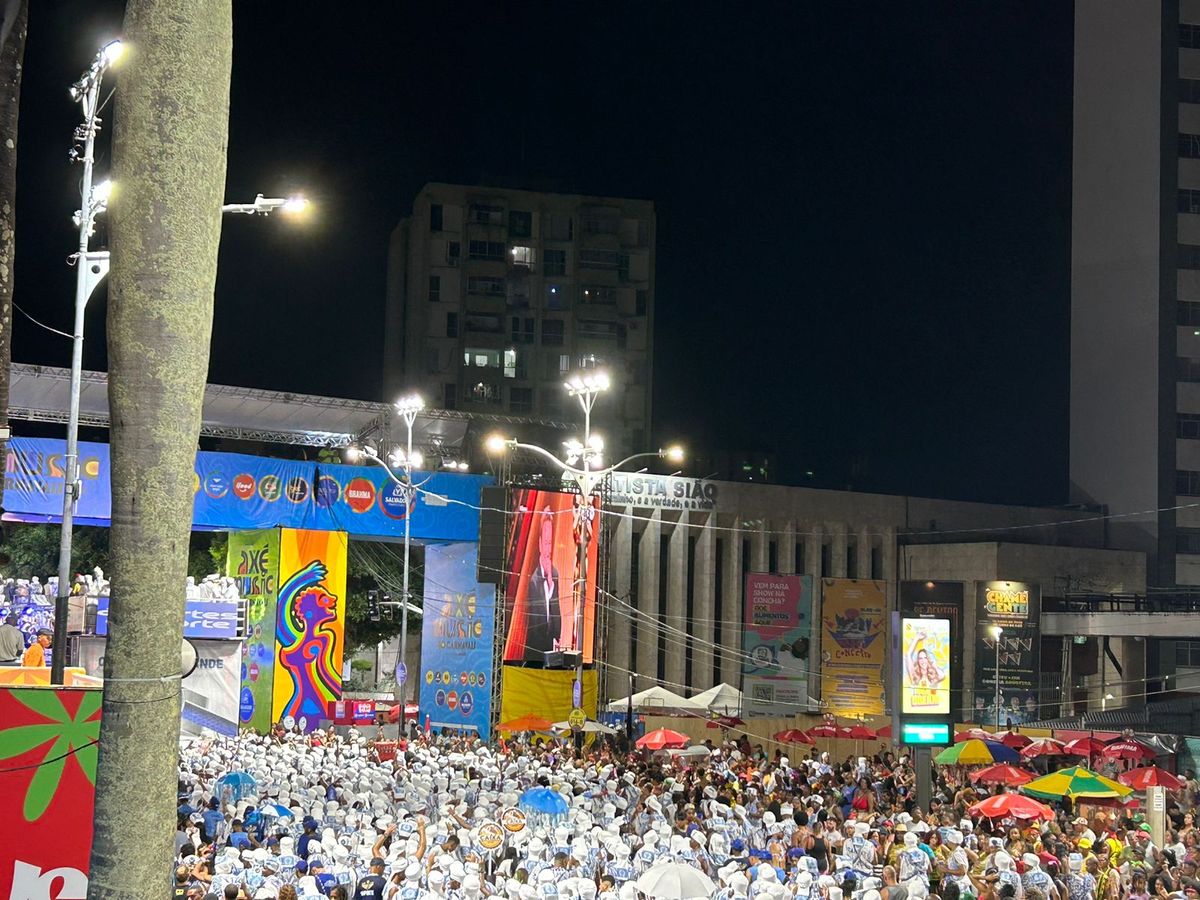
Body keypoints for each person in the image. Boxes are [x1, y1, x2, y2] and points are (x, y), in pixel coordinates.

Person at [523, 509, 562, 660]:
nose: (548, 549)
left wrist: (557, 637)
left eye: (550, 543)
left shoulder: (555, 573)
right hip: (535, 648)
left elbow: (557, 608)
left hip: (551, 646)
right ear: (540, 544)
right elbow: (535, 623)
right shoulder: (533, 580)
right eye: (546, 543)